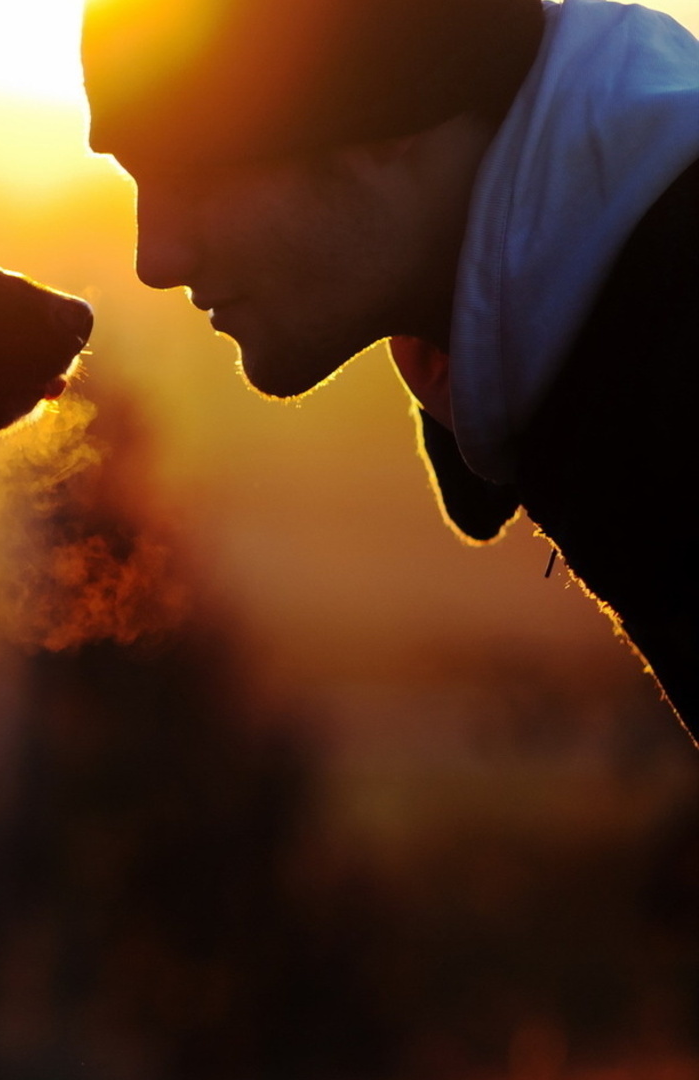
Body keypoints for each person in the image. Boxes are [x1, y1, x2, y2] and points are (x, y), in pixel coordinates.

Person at [81, 0, 699, 739]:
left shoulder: (674, 367)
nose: (156, 259)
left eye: (197, 177)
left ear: (398, 113)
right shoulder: (627, 336)